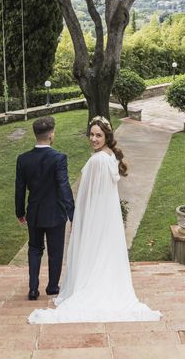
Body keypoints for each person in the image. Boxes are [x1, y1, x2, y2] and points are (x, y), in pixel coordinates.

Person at [28, 116, 162, 323]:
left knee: (94, 253)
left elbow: (87, 195)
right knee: (105, 254)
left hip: (96, 216)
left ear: (107, 136)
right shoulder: (110, 157)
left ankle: (91, 286)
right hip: (108, 218)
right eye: (91, 134)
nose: (93, 139)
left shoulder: (97, 160)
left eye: (98, 135)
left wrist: (79, 220)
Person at [15, 116, 75, 301]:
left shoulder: (23, 159)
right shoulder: (59, 158)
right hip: (55, 213)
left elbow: (20, 188)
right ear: (51, 135)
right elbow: (63, 186)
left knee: (34, 249)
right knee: (55, 251)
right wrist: (73, 213)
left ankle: (33, 289)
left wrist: (20, 212)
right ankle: (52, 287)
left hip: (34, 213)